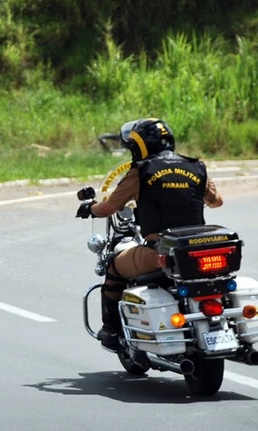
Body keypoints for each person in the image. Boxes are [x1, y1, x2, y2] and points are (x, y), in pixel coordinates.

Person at [76, 118, 224, 351]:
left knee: (114, 265)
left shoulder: (141, 172)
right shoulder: (197, 166)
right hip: (196, 250)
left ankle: (111, 330)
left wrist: (90, 207)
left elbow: (108, 208)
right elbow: (217, 201)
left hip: (159, 252)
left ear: (139, 147)